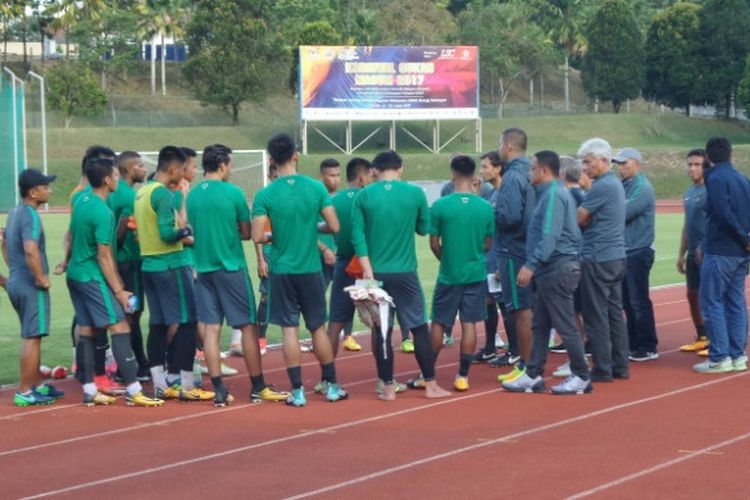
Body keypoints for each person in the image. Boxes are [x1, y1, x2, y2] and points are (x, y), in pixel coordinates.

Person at [187, 144, 288, 406]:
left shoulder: (193, 195)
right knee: (246, 327)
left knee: (211, 329)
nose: (231, 168)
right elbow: (246, 232)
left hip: (203, 268)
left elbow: (189, 228)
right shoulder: (233, 193)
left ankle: (219, 389)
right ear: (222, 165)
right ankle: (258, 386)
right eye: (230, 164)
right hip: (230, 267)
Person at [251, 133, 347, 407]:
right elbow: (334, 226)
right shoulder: (315, 188)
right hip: (309, 268)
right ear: (296, 155)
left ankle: (297, 391)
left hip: (282, 269)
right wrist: (312, 228)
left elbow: (258, 235)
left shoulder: (265, 194)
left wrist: (275, 235)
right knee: (318, 327)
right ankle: (331, 385)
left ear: (271, 159)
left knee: (289, 330)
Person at [352, 150, 451, 400]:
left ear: (376, 170)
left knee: (382, 330)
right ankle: (430, 384)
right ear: (401, 168)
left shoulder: (364, 194)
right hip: (405, 271)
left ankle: (387, 387)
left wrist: (367, 269)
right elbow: (423, 227)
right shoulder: (415, 193)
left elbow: (358, 237)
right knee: (418, 327)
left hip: (375, 272)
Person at [65, 158, 163, 406]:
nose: (118, 179)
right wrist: (119, 291)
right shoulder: (103, 212)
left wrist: (65, 260)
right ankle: (134, 390)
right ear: (107, 180)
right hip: (90, 276)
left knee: (87, 330)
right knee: (120, 326)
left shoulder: (81, 201)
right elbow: (104, 255)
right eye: (115, 176)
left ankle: (89, 388)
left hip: (75, 274)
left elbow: (72, 235)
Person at [501, 151, 590, 395]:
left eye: (532, 168)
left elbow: (550, 235)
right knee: (540, 325)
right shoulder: (552, 194)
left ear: (544, 171)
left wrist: (531, 264)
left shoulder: (553, 195)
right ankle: (533, 373)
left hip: (556, 268)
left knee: (564, 324)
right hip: (552, 268)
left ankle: (582, 375)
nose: (529, 173)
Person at [134, 146, 208, 401]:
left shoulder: (142, 191)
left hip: (149, 266)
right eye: (183, 169)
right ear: (174, 169)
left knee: (158, 324)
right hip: (171, 264)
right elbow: (168, 234)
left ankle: (158, 383)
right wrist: (185, 232)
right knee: (188, 321)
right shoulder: (163, 195)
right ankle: (186, 383)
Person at [429, 155, 494, 392]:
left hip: (449, 274)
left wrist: (447, 259)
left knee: (439, 322)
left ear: (453, 174)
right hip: (475, 273)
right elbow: (488, 243)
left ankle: (427, 373)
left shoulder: (440, 205)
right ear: (474, 175)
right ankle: (463, 375)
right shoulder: (486, 207)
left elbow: (434, 243)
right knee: (469, 324)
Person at [3, 169, 65, 406]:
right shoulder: (30, 215)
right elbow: (30, 248)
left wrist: (13, 272)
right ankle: (25, 391)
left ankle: (36, 385)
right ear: (33, 192)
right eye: (45, 186)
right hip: (30, 284)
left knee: (34, 334)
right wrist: (41, 278)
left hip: (17, 281)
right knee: (31, 336)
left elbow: (5, 244)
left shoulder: (14, 212)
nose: (48, 190)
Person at [693, 137, 750, 374]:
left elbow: (723, 213)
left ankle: (720, 356)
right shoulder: (742, 178)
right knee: (735, 301)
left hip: (722, 249)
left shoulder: (714, 178)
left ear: (707, 157)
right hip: (740, 252)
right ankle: (738, 355)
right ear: (730, 154)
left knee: (711, 302)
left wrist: (742, 237)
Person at [576, 138, 630, 382]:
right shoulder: (614, 184)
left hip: (598, 256)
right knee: (614, 313)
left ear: (604, 160)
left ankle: (601, 368)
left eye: (588, 162)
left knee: (596, 315)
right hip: (615, 255)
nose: (584, 167)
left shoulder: (602, 186)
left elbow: (580, 217)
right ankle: (619, 365)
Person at [495, 128, 536, 385]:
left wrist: (494, 213)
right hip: (527, 247)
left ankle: (528, 367)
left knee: (521, 310)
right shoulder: (531, 171)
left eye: (500, 144)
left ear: (508, 146)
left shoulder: (512, 177)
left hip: (514, 249)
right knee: (525, 308)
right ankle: (527, 363)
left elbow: (510, 217)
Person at [613, 148, 659, 361]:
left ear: (637, 163)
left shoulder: (642, 187)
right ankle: (633, 342)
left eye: (625, 163)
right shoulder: (624, 185)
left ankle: (648, 345)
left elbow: (621, 213)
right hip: (625, 251)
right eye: (619, 163)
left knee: (638, 300)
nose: (621, 167)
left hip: (638, 251)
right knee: (627, 301)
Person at [107, 152, 149, 380]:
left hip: (120, 262)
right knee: (131, 313)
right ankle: (132, 367)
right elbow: (121, 232)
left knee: (127, 313)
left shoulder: (114, 193)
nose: (144, 169)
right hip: (128, 262)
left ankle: (138, 362)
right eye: (141, 165)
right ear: (130, 168)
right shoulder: (127, 197)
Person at [474, 151, 518, 365]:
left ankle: (515, 350)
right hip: (490, 257)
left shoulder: (505, 194)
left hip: (502, 256)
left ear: (498, 168)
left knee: (505, 302)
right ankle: (490, 347)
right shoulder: (491, 194)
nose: (481, 171)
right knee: (489, 300)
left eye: (485, 166)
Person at [315, 158, 359, 353]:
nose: (336, 179)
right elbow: (310, 229)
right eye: (331, 175)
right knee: (319, 296)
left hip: (342, 256)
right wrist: (324, 249)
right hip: (321, 256)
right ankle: (318, 335)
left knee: (349, 295)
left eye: (338, 175)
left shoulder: (343, 198)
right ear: (322, 176)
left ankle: (348, 336)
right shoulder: (318, 199)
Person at [677, 149, 709, 354]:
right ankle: (702, 335)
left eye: (697, 164)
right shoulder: (689, 192)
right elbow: (687, 225)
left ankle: (718, 339)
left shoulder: (711, 190)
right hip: (692, 255)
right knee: (692, 294)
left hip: (709, 253)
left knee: (711, 297)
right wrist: (681, 253)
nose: (692, 168)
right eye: (690, 164)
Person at [254, 161, 280, 356]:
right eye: (276, 176)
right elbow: (257, 232)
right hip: (270, 251)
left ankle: (292, 337)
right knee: (267, 296)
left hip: (288, 252)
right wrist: (260, 259)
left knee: (292, 296)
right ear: (271, 176)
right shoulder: (264, 197)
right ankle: (260, 338)